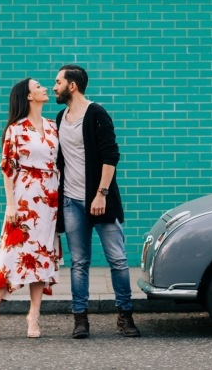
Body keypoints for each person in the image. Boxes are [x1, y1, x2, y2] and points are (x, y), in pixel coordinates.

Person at [53, 65, 140, 338]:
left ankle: (125, 316)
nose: (54, 87)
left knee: (118, 260)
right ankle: (80, 319)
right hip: (71, 202)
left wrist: (101, 194)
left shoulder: (97, 113)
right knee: (78, 262)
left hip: (100, 200)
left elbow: (110, 156)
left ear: (73, 85)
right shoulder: (60, 117)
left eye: (57, 82)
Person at [0, 78, 63, 340]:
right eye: (39, 86)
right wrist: (10, 204)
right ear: (28, 96)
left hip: (49, 201)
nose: (44, 89)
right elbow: (7, 167)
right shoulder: (15, 129)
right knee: (8, 258)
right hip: (24, 198)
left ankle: (34, 316)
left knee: (41, 256)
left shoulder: (53, 126)